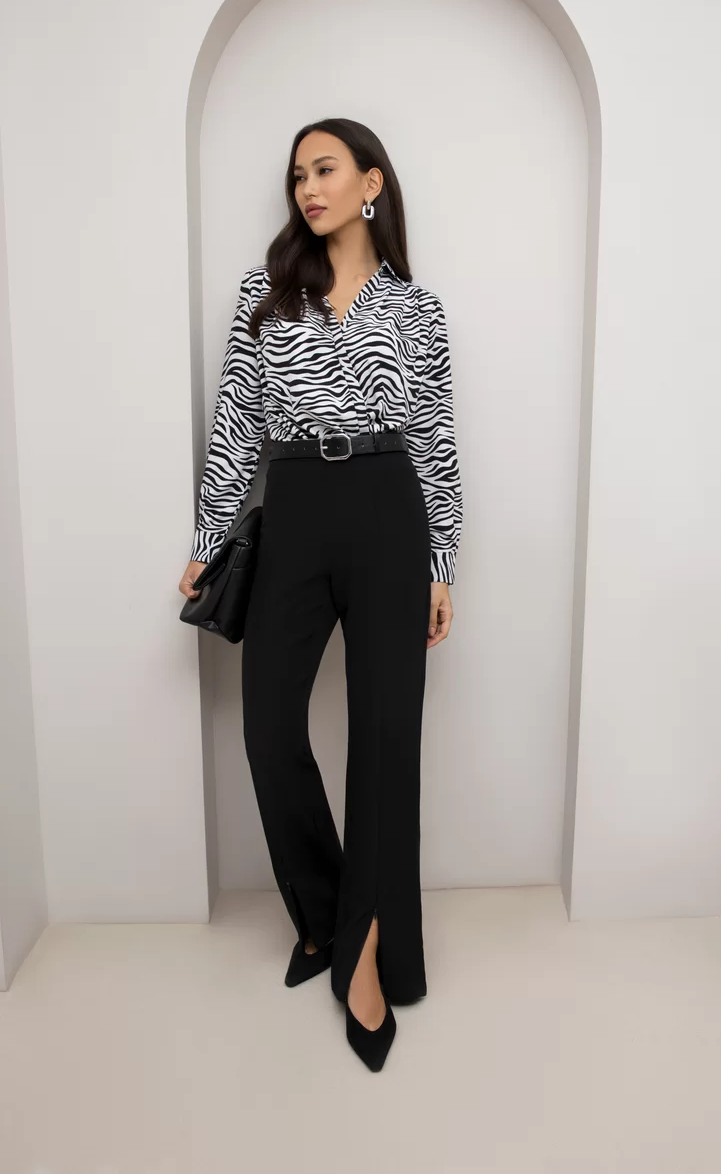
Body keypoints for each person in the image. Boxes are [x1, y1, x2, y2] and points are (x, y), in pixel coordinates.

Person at [177, 118, 463, 1071]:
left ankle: (367, 952)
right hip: (295, 510)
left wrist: (441, 561)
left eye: (326, 169)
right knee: (268, 728)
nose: (308, 186)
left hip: (388, 514)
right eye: (298, 174)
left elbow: (436, 440)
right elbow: (235, 427)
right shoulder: (265, 295)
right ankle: (324, 913)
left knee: (385, 740)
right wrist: (209, 540)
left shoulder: (415, 309)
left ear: (371, 183)